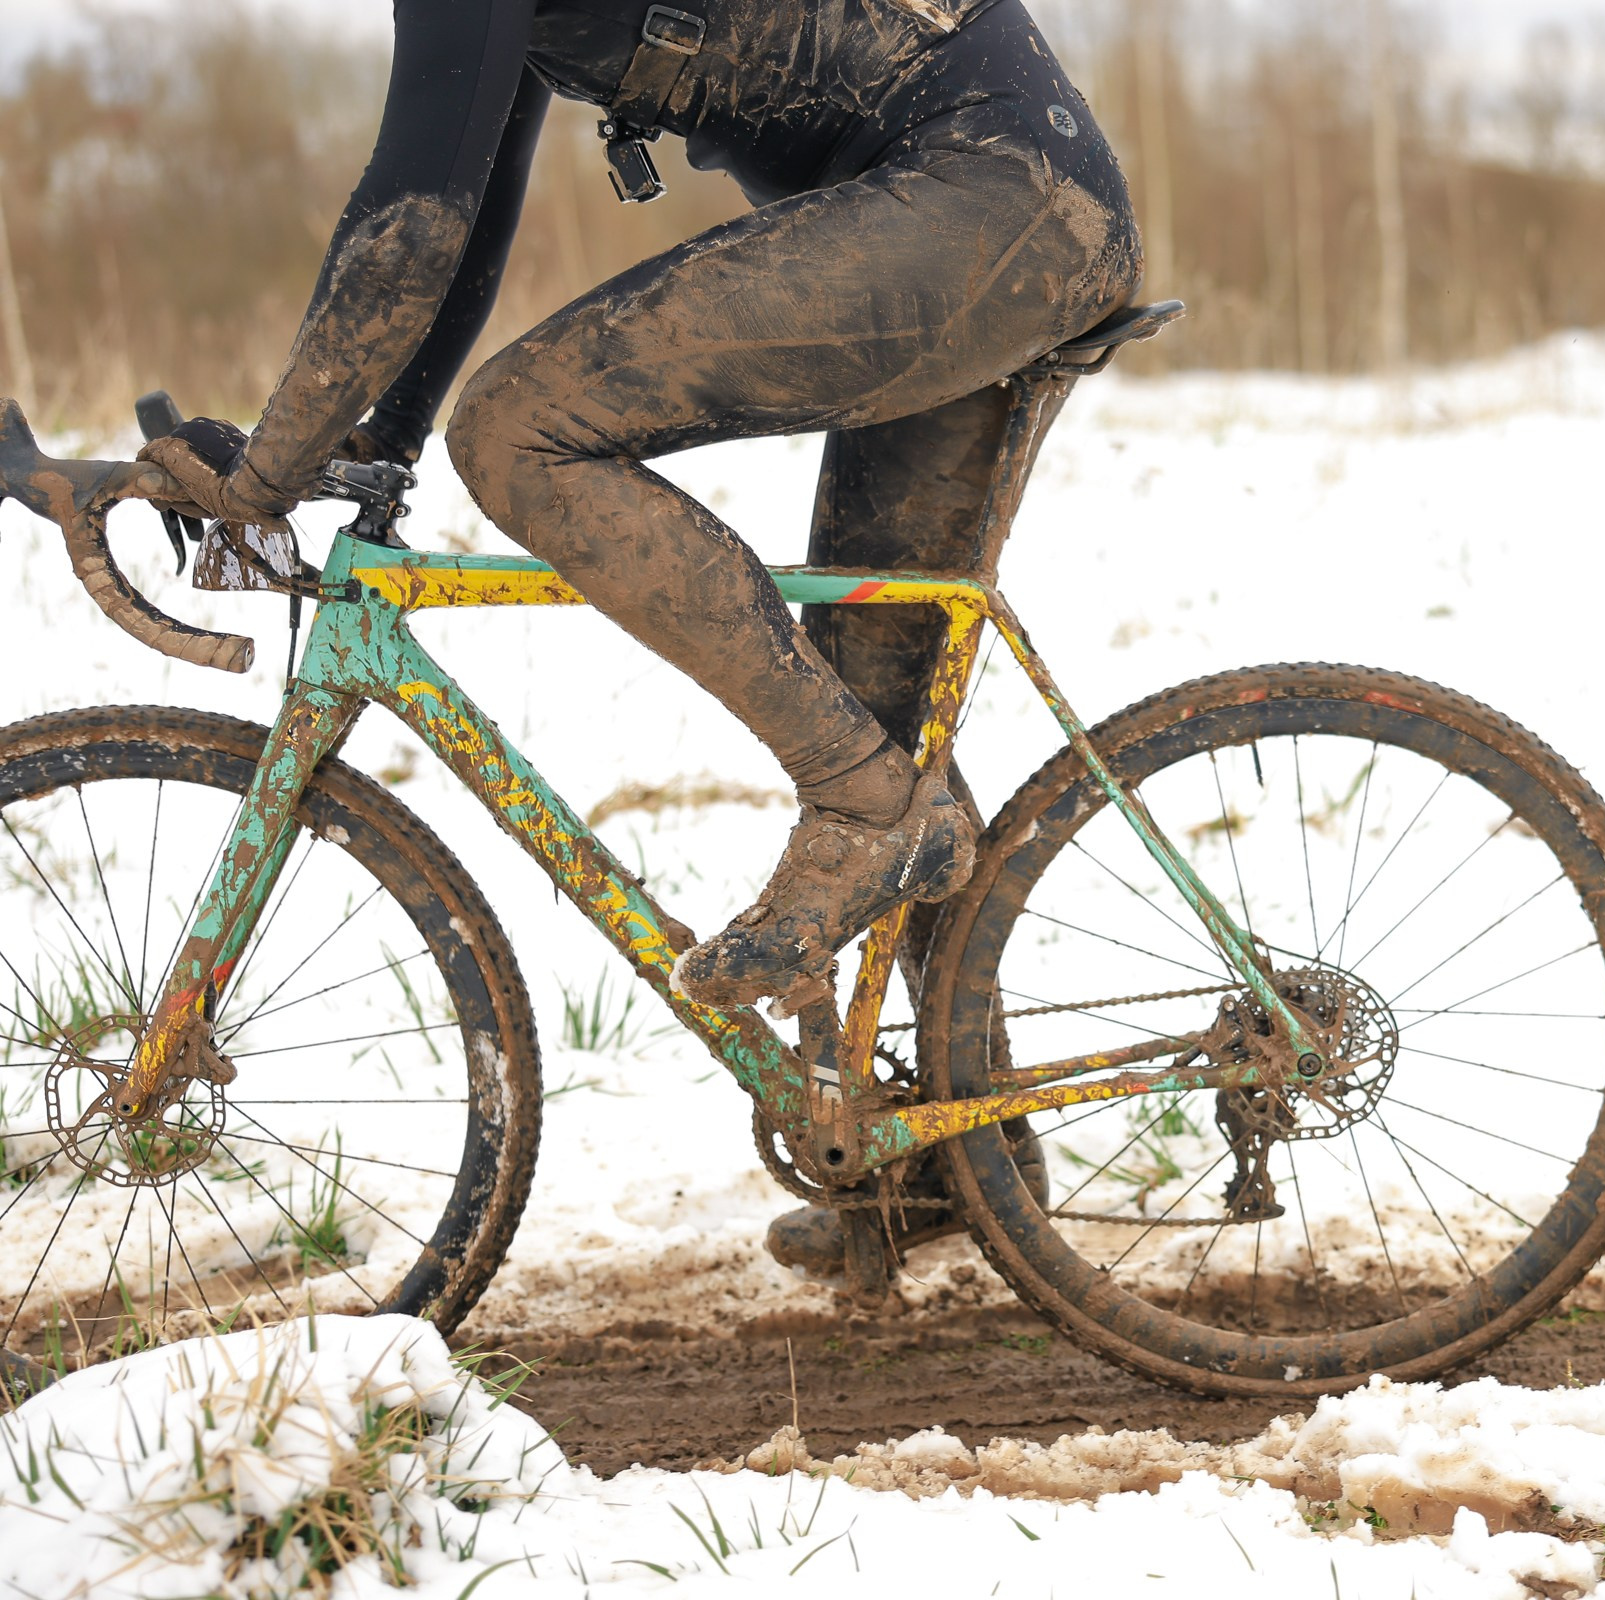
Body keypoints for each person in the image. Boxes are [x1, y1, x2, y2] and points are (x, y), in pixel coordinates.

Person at [132, 0, 1142, 1277]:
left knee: (518, 432)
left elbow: (413, 217)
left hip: (984, 198)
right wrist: (366, 451)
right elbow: (471, 203)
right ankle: (949, 1155)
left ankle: (866, 807)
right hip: (1000, 200)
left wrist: (263, 474)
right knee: (876, 706)